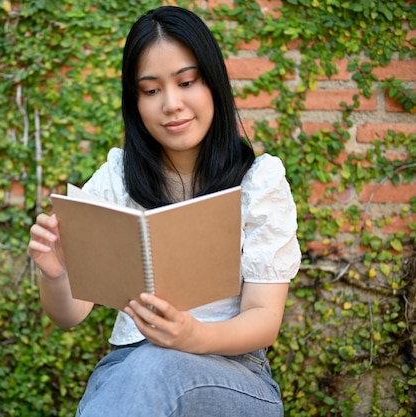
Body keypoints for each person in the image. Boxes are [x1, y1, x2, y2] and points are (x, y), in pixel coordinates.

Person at [28, 6, 301, 416]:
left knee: (155, 365)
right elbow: (69, 315)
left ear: (213, 84)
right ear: (134, 101)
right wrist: (57, 273)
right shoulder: (117, 180)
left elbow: (264, 317)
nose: (171, 104)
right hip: (129, 371)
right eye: (151, 90)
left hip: (233, 375)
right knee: (144, 367)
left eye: (186, 82)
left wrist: (193, 336)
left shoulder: (258, 182)